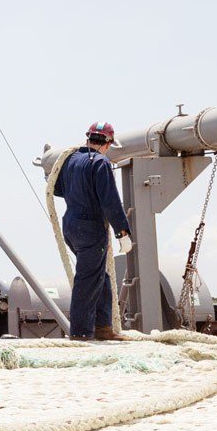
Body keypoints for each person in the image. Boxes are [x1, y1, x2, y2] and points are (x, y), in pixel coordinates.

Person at [53, 122, 133, 341]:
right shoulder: (101, 163)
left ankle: (103, 327)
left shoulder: (69, 161)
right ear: (107, 143)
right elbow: (110, 201)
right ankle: (80, 332)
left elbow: (58, 189)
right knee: (87, 279)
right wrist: (122, 232)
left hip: (71, 226)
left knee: (100, 275)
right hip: (91, 228)